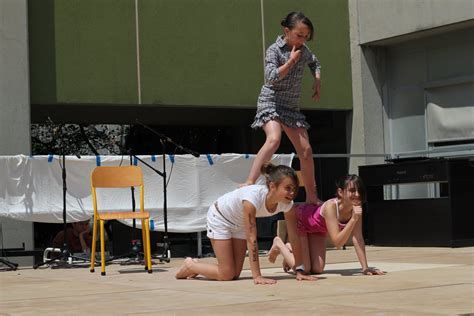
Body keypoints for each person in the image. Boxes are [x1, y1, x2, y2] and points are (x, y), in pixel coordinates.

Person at [175, 162, 316, 284]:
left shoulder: (287, 204)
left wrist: (300, 269)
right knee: (227, 274)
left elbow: (294, 236)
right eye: (288, 188)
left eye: (295, 189)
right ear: (272, 186)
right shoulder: (252, 199)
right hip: (220, 217)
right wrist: (258, 276)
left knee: (234, 274)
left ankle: (197, 267)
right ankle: (190, 265)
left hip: (239, 224)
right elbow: (251, 238)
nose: (292, 193)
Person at [243, 11, 322, 205]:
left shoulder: (304, 50)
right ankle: (250, 181)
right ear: (286, 31)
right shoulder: (274, 50)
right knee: (274, 139)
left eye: (306, 36)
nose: (302, 40)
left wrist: (317, 79)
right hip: (271, 101)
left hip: (290, 107)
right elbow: (271, 76)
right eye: (299, 35)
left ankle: (312, 196)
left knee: (306, 151)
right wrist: (291, 61)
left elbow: (315, 62)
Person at [268, 175, 384, 275]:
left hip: (317, 230)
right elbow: (337, 243)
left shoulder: (356, 208)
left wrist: (365, 268)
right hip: (301, 221)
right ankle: (280, 244)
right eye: (352, 191)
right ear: (340, 192)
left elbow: (357, 238)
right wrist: (353, 219)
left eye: (360, 191)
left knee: (317, 269)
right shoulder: (331, 207)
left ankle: (291, 250)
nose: (357, 194)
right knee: (305, 269)